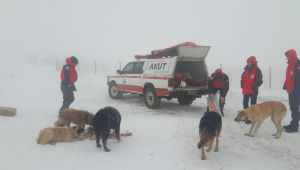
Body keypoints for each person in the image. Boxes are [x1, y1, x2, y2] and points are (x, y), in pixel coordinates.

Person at [241, 56, 263, 123]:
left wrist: (255, 86)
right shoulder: (245, 70)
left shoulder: (257, 70)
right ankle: (246, 117)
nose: (248, 63)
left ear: (253, 62)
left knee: (253, 105)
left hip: (253, 91)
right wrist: (242, 84)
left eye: (249, 62)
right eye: (247, 62)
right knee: (245, 104)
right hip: (246, 90)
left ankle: (253, 118)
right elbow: (242, 78)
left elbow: (260, 80)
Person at [283, 49, 300, 133]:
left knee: (295, 108)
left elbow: (298, 78)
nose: (287, 57)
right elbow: (289, 77)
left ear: (292, 55)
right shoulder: (290, 64)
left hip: (296, 90)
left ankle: (295, 127)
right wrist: (286, 85)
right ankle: (293, 123)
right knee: (292, 108)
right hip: (291, 90)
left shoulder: (297, 63)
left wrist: (295, 89)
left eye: (288, 56)